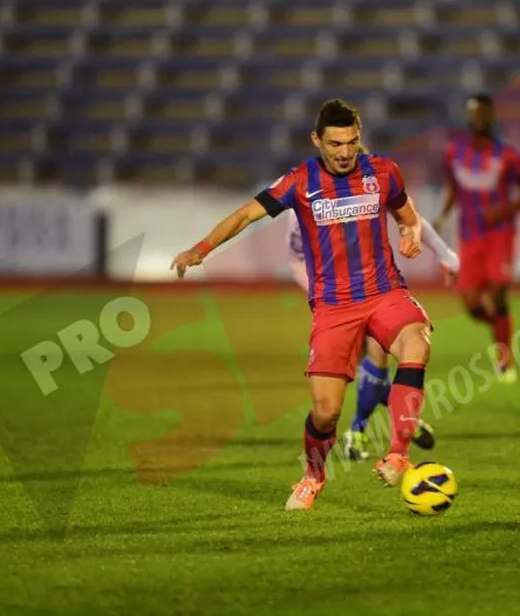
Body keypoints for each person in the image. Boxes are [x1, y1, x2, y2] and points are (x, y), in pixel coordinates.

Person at [172, 99, 433, 511]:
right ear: (316, 140)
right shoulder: (300, 181)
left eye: (351, 142)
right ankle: (313, 476)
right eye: (335, 144)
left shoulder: (384, 172)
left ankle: (398, 455)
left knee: (417, 342)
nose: (345, 152)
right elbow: (246, 214)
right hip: (333, 307)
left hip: (385, 293)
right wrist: (200, 249)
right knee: (326, 412)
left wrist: (409, 232)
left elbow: (407, 214)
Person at [284, 166, 460, 461]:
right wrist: (324, 296)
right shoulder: (307, 197)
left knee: (378, 354)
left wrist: (446, 255)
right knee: (363, 369)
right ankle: (394, 417)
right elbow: (295, 258)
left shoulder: (372, 182)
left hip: (375, 290)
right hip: (335, 300)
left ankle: (359, 431)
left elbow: (411, 218)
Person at [434, 94, 520, 384]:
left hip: (499, 234)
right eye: (473, 113)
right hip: (469, 236)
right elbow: (454, 189)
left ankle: (505, 361)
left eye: (483, 113)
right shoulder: (454, 153)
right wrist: (442, 216)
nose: (478, 118)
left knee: (498, 291)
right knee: (470, 303)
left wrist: (503, 210)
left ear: (491, 116)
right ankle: (500, 328)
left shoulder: (508, 155)